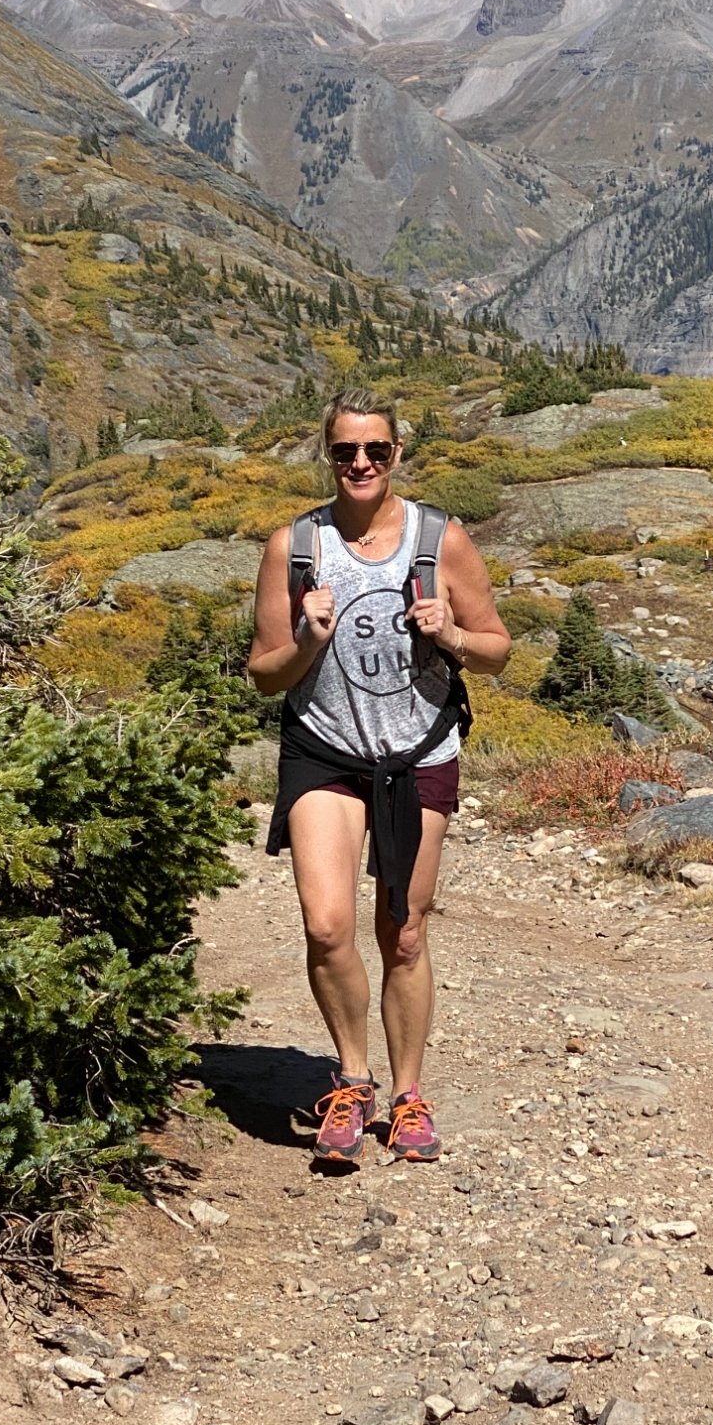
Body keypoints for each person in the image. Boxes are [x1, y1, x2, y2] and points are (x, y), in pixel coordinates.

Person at [247, 388, 511, 1166]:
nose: (360, 463)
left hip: (417, 750)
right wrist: (307, 640)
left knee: (404, 932)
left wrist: (453, 633)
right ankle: (351, 1080)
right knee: (327, 924)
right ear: (326, 457)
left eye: (375, 451)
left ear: (397, 454)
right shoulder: (293, 547)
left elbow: (497, 648)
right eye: (344, 452)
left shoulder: (441, 539)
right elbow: (266, 674)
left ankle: (408, 1094)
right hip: (324, 750)